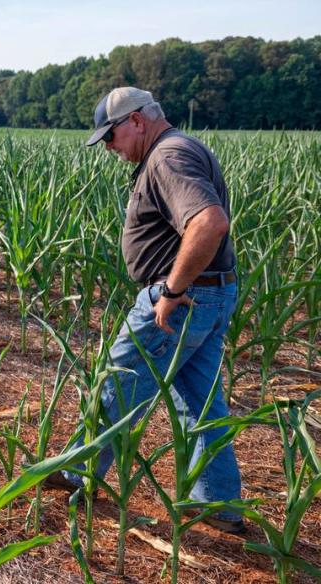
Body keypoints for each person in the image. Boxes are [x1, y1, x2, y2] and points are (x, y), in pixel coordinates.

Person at [43, 87, 244, 533]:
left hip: (182, 301)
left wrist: (171, 290)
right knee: (201, 400)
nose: (109, 148)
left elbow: (209, 221)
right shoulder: (180, 148)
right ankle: (219, 502)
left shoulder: (168, 155)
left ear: (136, 120)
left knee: (119, 378)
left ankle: (79, 471)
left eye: (111, 136)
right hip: (210, 295)